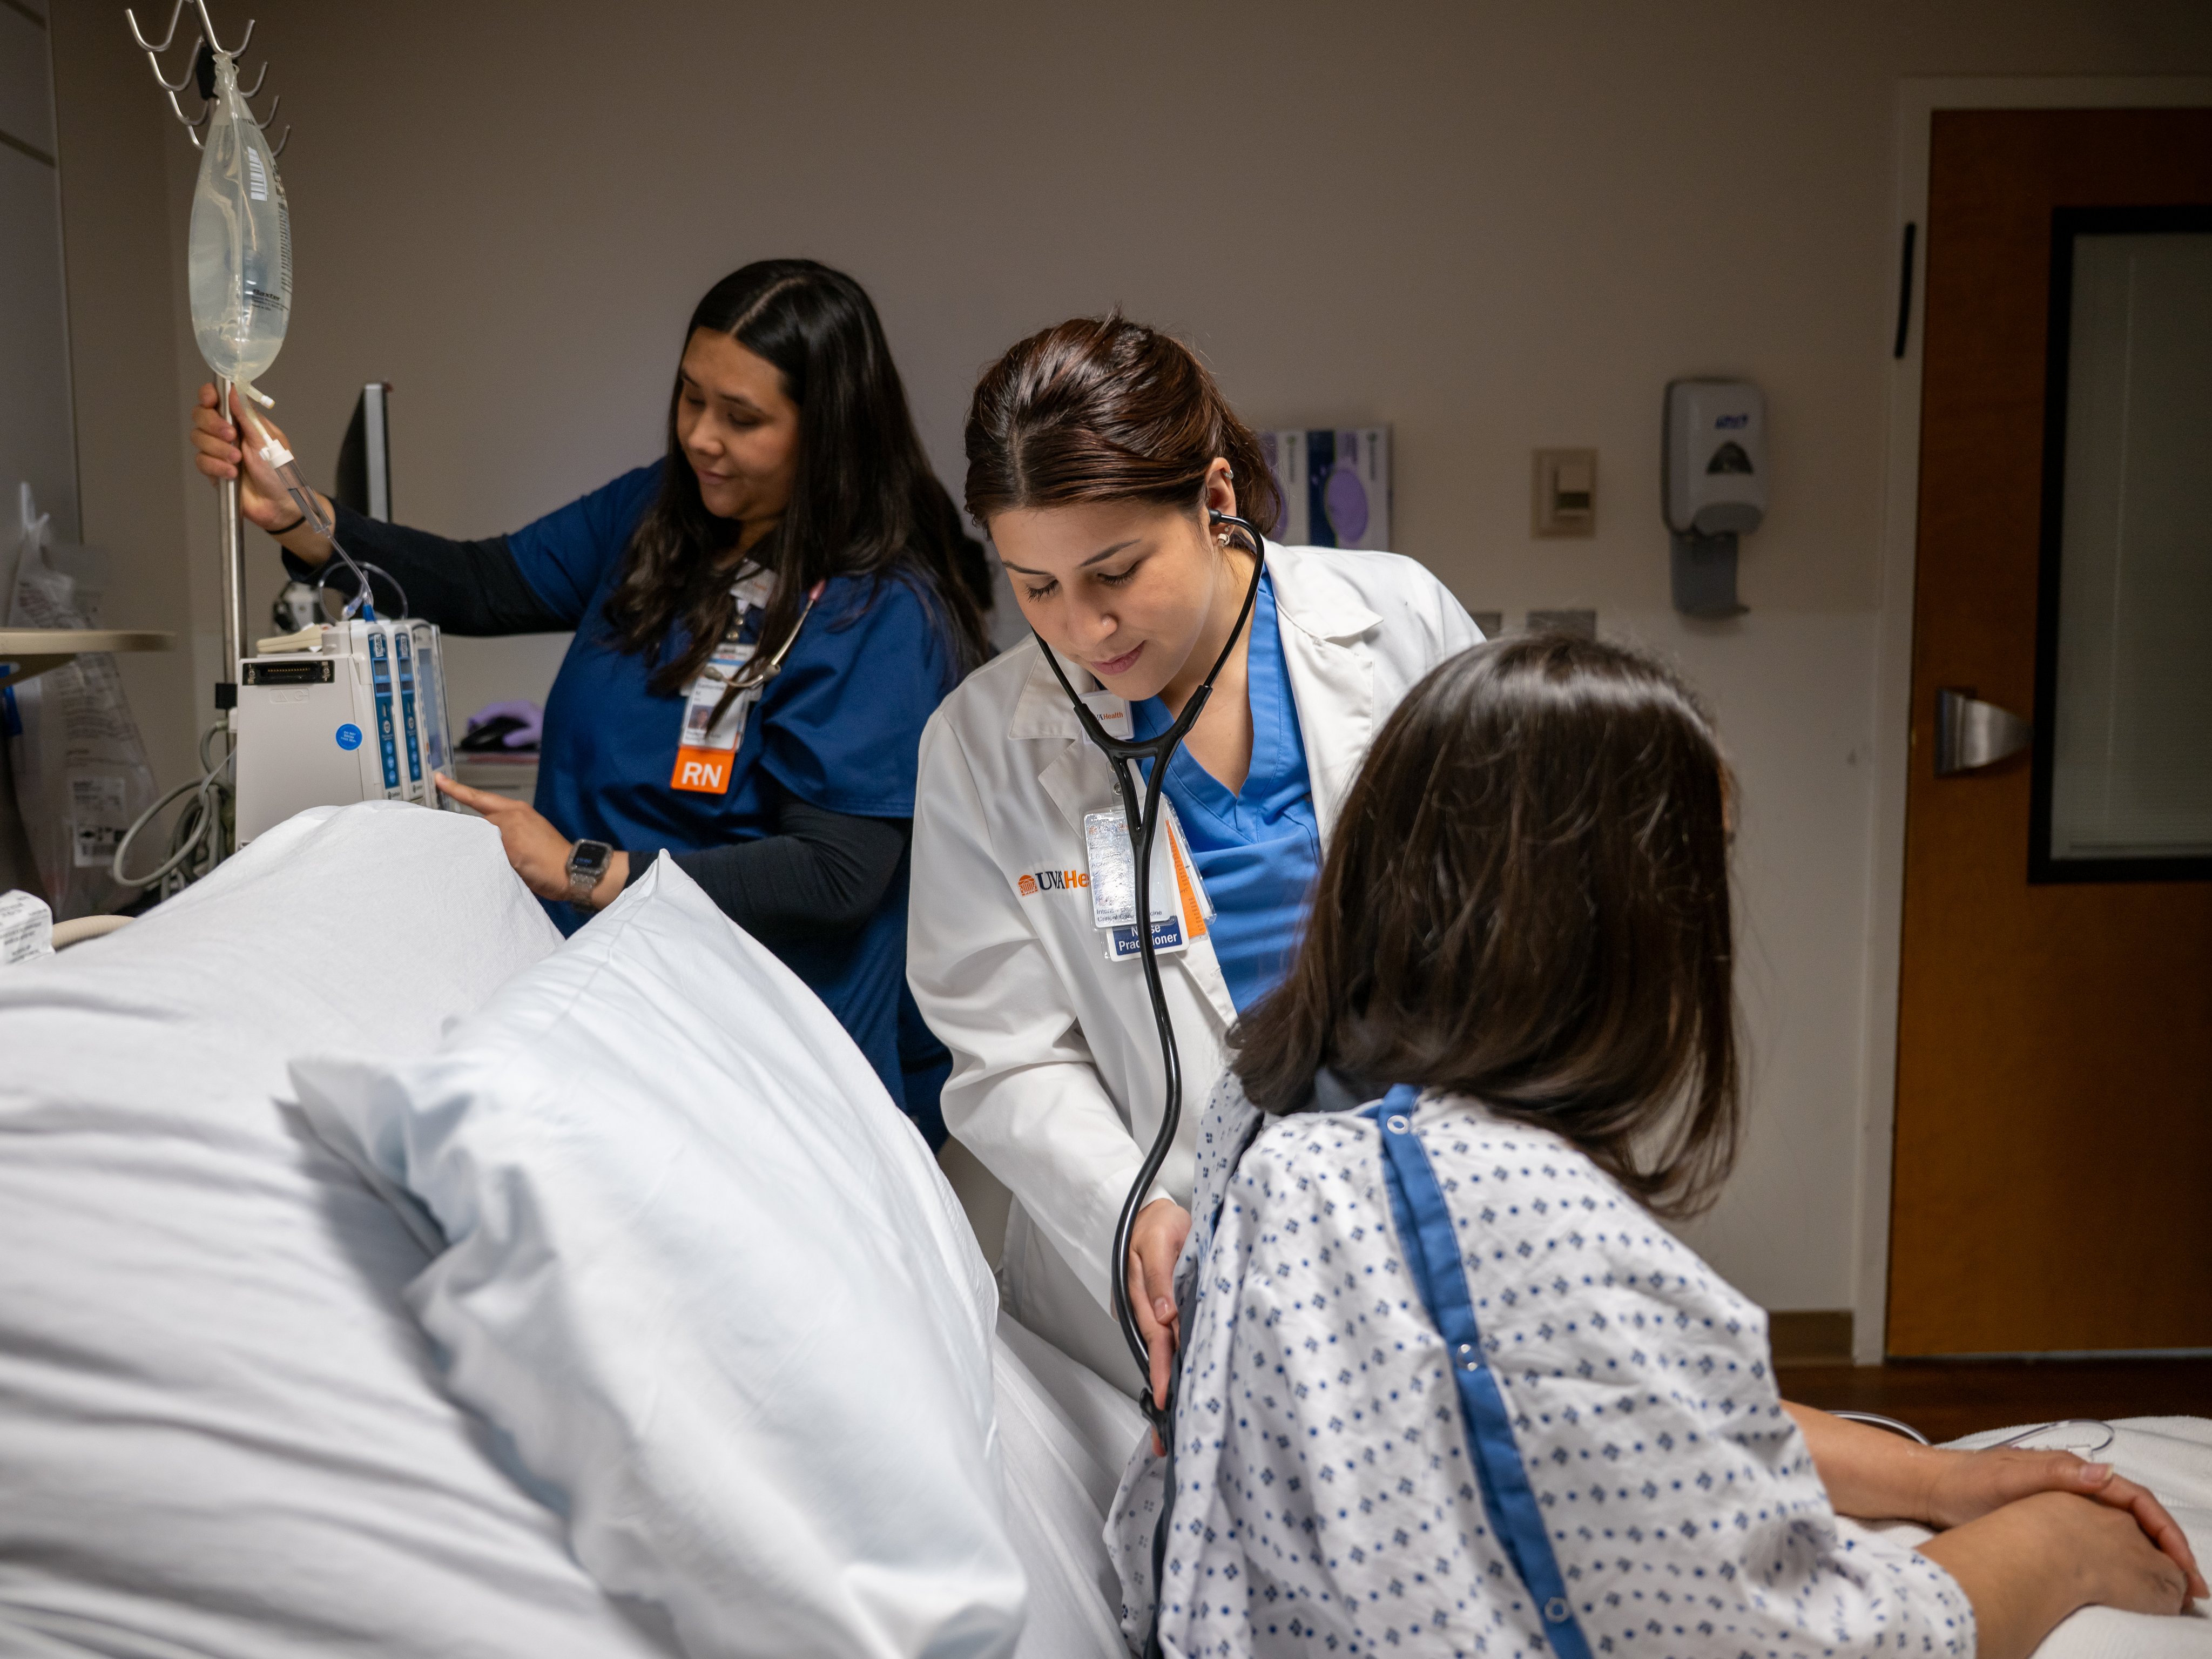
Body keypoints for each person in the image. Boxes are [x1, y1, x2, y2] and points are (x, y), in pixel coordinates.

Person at [1109, 633, 2204, 1658]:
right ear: (1611, 917)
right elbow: (1819, 1639)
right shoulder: (1514, 1208)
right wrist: (2057, 1549)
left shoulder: (1273, 1109)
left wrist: (1932, 1484)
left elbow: (1582, 1402)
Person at [190, 260, 986, 1135]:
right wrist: (299, 515)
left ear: (828, 433)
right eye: (691, 399)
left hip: (762, 1049)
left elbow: (835, 875)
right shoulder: (658, 515)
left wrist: (586, 871)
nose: (700, 439)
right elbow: (483, 582)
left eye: (743, 418)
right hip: (593, 994)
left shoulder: (881, 608)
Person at [906, 315, 1482, 1382]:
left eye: (1115, 572)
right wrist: (1127, 1211)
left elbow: (1508, 924)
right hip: (1175, 1259)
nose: (1083, 630)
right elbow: (1006, 1053)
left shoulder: (1393, 620)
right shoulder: (981, 746)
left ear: (1214, 500)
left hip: (1424, 1205)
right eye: (1033, 586)